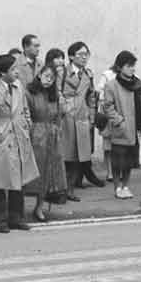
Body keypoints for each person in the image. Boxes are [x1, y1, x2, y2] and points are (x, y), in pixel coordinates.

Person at [0, 54, 39, 233]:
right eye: (13, 69)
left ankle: (17, 217)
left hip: (19, 136)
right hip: (3, 137)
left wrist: (27, 124)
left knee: (19, 181)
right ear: (2, 72)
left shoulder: (18, 86)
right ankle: (0, 220)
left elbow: (25, 108)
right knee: (0, 181)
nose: (17, 72)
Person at [103, 51, 141, 200]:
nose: (132, 69)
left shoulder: (138, 84)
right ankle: (117, 187)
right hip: (120, 129)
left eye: (133, 66)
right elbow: (108, 107)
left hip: (135, 128)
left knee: (130, 161)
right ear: (120, 67)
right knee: (118, 161)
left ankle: (126, 186)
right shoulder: (111, 85)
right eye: (129, 66)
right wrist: (119, 121)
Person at [25, 64, 67, 221]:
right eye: (46, 76)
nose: (49, 80)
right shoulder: (29, 92)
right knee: (31, 172)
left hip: (52, 136)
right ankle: (18, 206)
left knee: (48, 174)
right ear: (40, 74)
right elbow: (25, 114)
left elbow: (58, 116)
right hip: (34, 135)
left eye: (52, 78)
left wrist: (58, 129)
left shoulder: (54, 95)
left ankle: (39, 207)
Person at [61, 41, 102, 199]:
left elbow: (91, 97)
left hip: (82, 116)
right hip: (66, 116)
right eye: (81, 54)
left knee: (80, 155)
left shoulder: (88, 74)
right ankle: (62, 188)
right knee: (67, 154)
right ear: (71, 56)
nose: (84, 58)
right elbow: (57, 92)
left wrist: (91, 117)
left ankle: (70, 188)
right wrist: (64, 107)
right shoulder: (62, 72)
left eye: (86, 54)